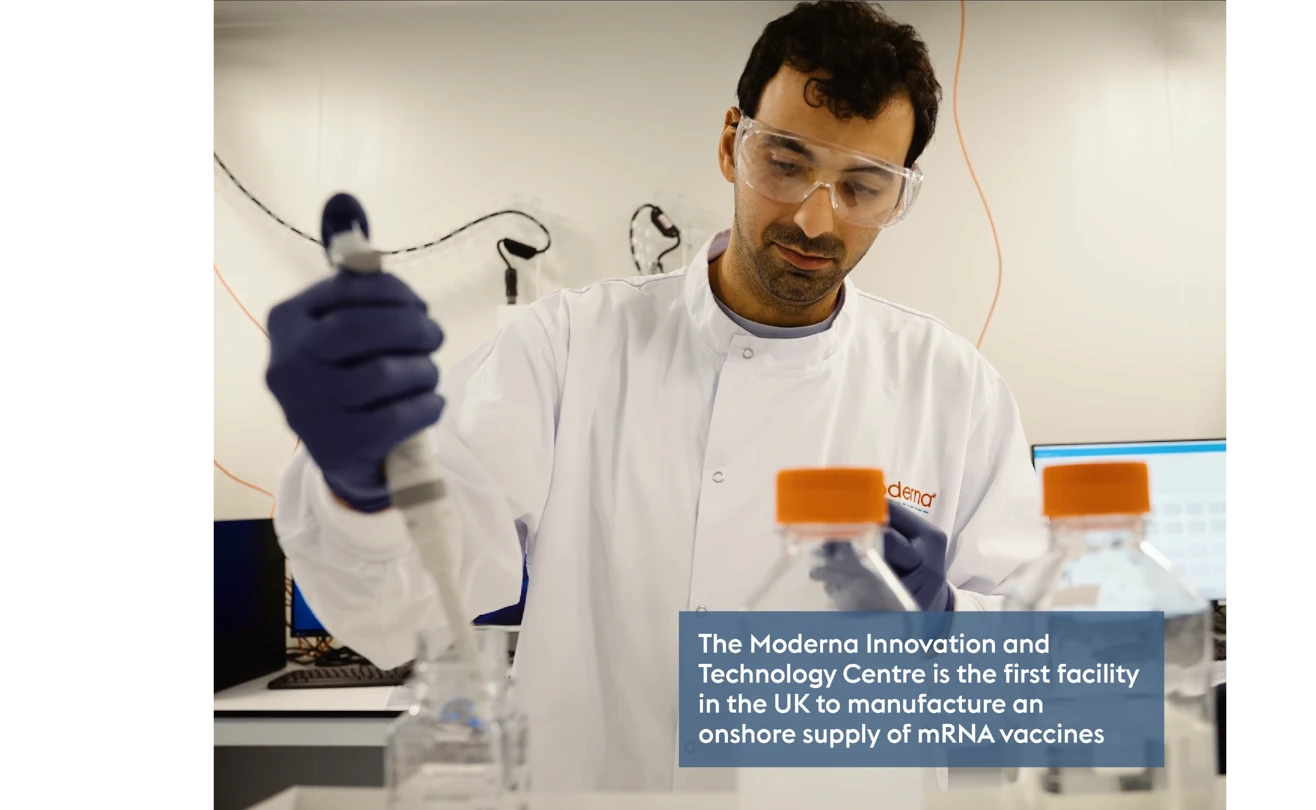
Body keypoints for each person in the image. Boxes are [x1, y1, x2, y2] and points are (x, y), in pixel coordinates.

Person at [265, 0, 1046, 794]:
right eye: (784, 162)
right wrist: (362, 479)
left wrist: (946, 624)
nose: (817, 217)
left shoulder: (953, 388)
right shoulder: (569, 347)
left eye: (863, 186)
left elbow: (1054, 691)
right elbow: (399, 607)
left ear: (898, 195)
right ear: (730, 143)